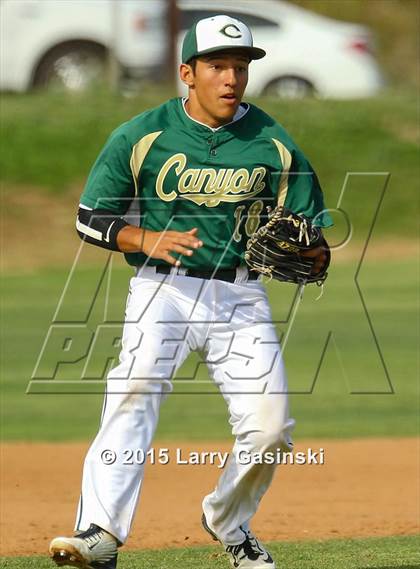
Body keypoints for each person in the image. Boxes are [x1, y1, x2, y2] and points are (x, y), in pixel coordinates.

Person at [49, 14, 332, 569]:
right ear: (187, 73)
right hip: (164, 291)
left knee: (271, 430)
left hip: (241, 299)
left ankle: (228, 521)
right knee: (133, 391)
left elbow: (309, 229)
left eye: (241, 66)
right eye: (217, 65)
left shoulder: (273, 142)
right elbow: (88, 217)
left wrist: (315, 252)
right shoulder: (141, 135)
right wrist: (143, 238)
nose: (231, 78)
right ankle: (100, 533)